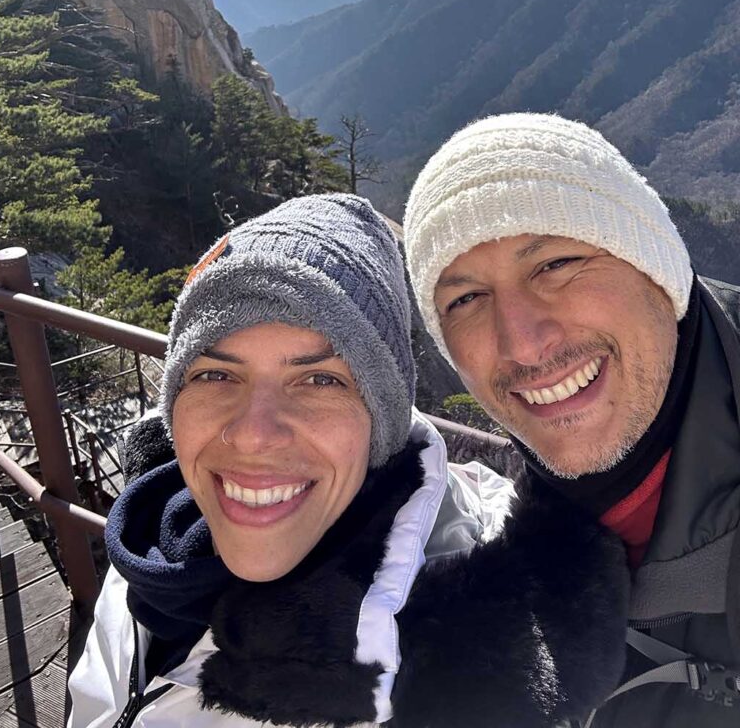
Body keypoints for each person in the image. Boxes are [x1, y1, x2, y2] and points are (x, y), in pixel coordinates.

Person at [67, 193, 626, 728]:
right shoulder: (154, 540)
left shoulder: (469, 658)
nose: (253, 435)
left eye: (319, 380)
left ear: (383, 422)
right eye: (215, 374)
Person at [403, 112, 740, 727]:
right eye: (466, 298)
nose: (522, 344)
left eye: (556, 264)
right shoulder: (500, 568)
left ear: (656, 266)